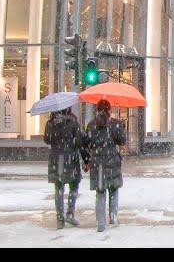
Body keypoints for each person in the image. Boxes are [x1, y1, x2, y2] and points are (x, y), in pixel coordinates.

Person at [83, 99, 126, 232]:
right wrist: (121, 128)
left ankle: (101, 223)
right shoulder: (115, 124)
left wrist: (87, 161)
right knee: (113, 189)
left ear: (97, 110)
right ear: (109, 110)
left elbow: (86, 144)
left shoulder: (91, 125)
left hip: (97, 163)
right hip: (112, 161)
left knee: (100, 192)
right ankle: (113, 217)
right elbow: (122, 141)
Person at [43, 107, 87, 229]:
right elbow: (79, 142)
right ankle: (70, 213)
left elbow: (46, 139)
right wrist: (86, 159)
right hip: (70, 158)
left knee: (58, 188)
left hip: (55, 159)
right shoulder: (73, 122)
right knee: (74, 185)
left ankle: (59, 218)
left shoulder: (50, 123)